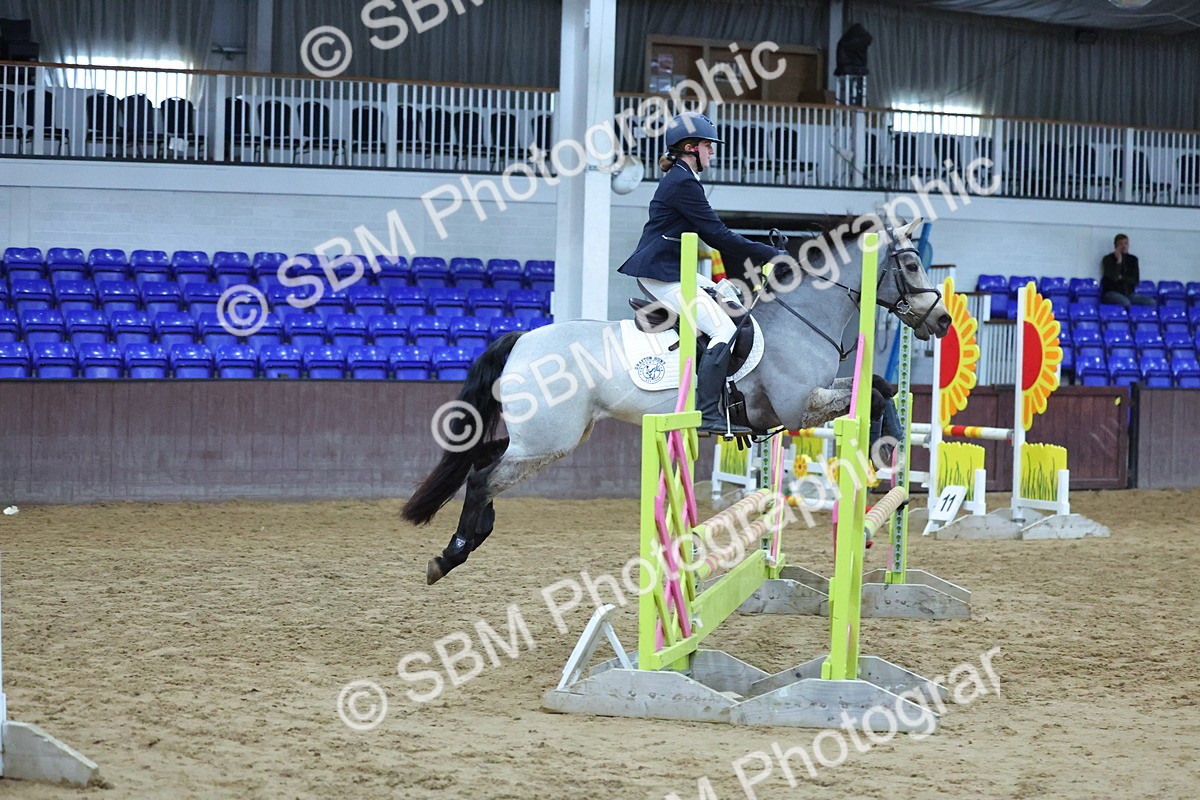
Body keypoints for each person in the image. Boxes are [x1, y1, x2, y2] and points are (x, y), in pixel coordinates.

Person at [618, 112, 782, 435]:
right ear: (691, 148)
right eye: (708, 146)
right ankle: (707, 412)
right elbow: (719, 236)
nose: (712, 152)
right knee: (722, 331)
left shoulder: (684, 178)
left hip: (674, 269)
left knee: (726, 294)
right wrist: (770, 253)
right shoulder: (682, 182)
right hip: (662, 273)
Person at [1100, 234, 1155, 308]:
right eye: (1121, 244)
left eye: (1126, 243)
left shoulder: (1133, 259)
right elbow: (1114, 277)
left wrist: (1121, 277)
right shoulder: (1107, 259)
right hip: (1111, 292)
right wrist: (1119, 261)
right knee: (1125, 302)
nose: (1124, 246)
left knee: (1151, 302)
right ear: (1116, 246)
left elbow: (1135, 280)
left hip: (1129, 293)